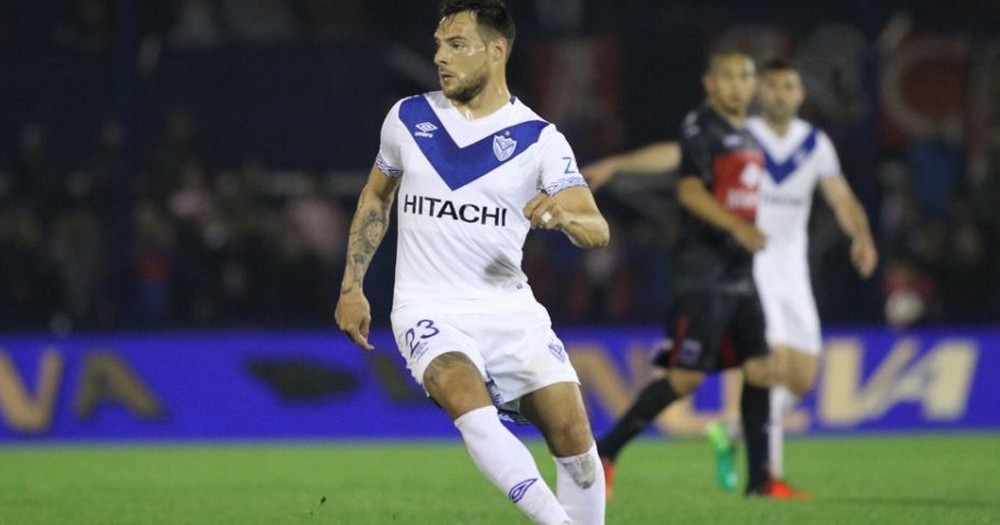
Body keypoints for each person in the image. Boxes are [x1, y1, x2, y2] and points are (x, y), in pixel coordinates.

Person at [334, 2, 610, 524]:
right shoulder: (408, 118)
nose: (441, 57)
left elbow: (597, 228)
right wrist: (352, 286)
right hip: (427, 309)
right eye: (439, 45)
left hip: (508, 310)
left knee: (575, 440)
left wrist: (563, 216)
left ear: (496, 50)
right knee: (469, 405)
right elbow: (376, 198)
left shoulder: (538, 139)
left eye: (457, 45)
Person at [583, 58, 878, 497]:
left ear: (800, 94)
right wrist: (620, 163)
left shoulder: (812, 143)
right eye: (772, 86)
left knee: (791, 377)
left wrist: (862, 235)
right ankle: (611, 453)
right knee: (730, 372)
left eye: (788, 87)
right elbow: (680, 160)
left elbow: (841, 197)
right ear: (761, 91)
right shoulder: (728, 130)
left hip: (781, 270)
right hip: (733, 266)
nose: (779, 95)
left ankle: (745, 453)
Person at [589, 51, 787, 499]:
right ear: (710, 83)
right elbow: (689, 189)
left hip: (740, 273)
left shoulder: (744, 133)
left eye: (745, 77)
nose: (738, 85)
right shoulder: (703, 126)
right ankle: (605, 452)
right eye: (728, 77)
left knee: (761, 368)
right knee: (686, 378)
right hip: (704, 275)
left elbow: (672, 155)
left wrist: (619, 163)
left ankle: (761, 482)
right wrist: (737, 226)